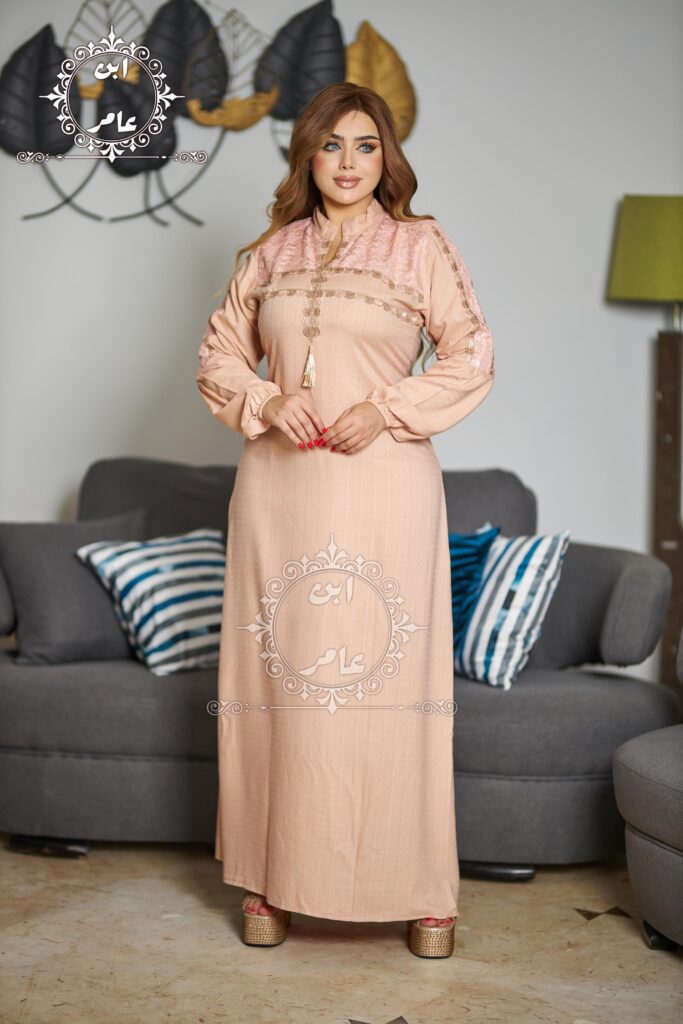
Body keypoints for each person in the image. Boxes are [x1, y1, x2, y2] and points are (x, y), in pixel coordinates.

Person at [195, 82, 495, 959]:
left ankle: (418, 889)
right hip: (278, 488)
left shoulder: (419, 244)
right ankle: (271, 879)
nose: (349, 162)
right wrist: (265, 400)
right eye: (332, 145)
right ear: (308, 156)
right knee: (279, 680)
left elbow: (473, 351)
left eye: (366, 146)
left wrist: (387, 408)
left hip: (384, 485)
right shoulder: (268, 252)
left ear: (386, 157)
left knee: (387, 683)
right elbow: (218, 353)